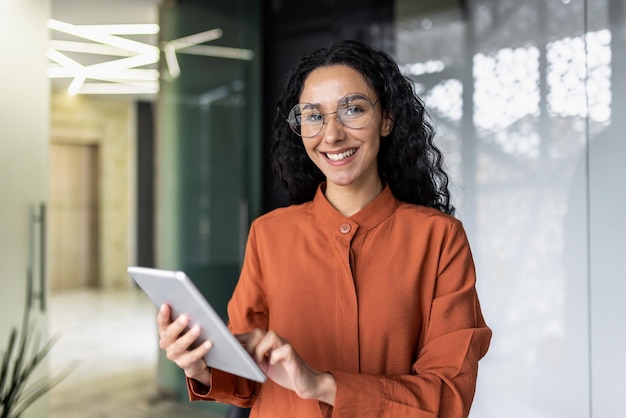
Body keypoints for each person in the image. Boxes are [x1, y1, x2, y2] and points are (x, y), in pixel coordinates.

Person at [157, 39, 492, 417]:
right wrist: (200, 366)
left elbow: (450, 395)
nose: (331, 135)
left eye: (352, 110)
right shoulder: (268, 235)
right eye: (313, 115)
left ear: (387, 119)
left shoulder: (440, 239)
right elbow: (246, 374)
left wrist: (323, 385)